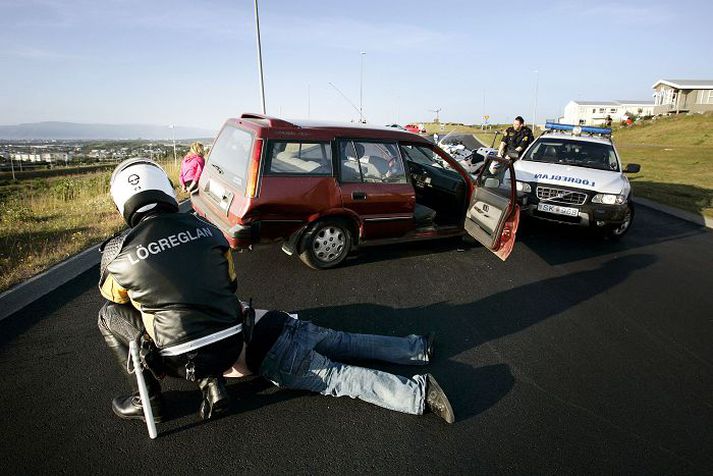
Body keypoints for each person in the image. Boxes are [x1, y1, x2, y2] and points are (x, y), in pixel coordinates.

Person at [97, 158, 243, 422]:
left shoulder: (117, 251)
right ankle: (211, 380)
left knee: (108, 315)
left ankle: (148, 402)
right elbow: (231, 283)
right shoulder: (209, 229)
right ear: (165, 188)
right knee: (203, 292)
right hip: (232, 344)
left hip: (175, 358)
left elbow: (113, 298)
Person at [223, 309, 456, 423]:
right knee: (347, 341)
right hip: (278, 321)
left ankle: (418, 395)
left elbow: (237, 369)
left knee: (340, 377)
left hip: (270, 352)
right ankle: (416, 348)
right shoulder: (202, 279)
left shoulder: (189, 343)